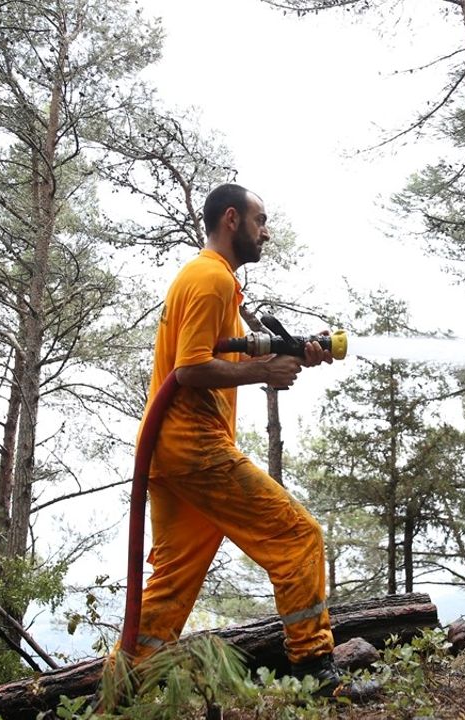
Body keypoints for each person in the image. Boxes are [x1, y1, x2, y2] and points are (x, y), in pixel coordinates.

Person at [134, 183, 346, 694]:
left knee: (173, 579)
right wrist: (263, 370)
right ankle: (315, 670)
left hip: (170, 453)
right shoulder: (210, 278)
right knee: (298, 538)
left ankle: (130, 686)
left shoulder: (210, 280)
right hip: (195, 447)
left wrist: (293, 353)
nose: (266, 232)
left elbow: (221, 353)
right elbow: (189, 370)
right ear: (232, 220)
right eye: (260, 220)